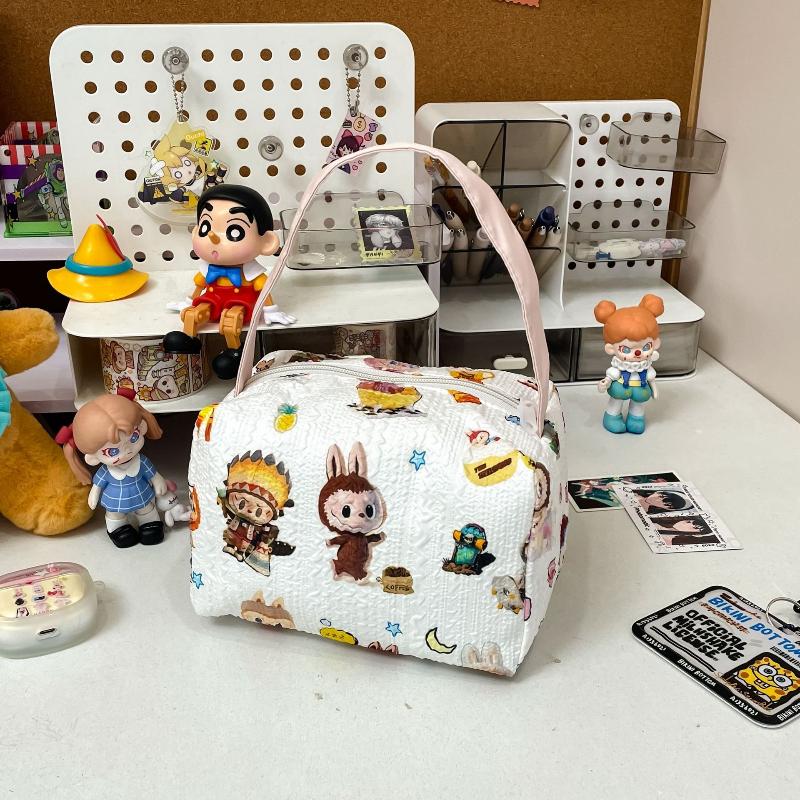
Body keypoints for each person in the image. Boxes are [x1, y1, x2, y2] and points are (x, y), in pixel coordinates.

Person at [162, 185, 293, 379]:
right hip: (213, 298)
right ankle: (189, 338)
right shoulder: (207, 270)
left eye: (234, 231)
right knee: (192, 314)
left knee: (231, 322)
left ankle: (235, 351)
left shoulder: (253, 275)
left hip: (241, 301)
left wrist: (271, 311)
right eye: (205, 227)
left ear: (266, 242)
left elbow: (264, 292)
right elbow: (199, 287)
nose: (213, 237)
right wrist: (189, 302)